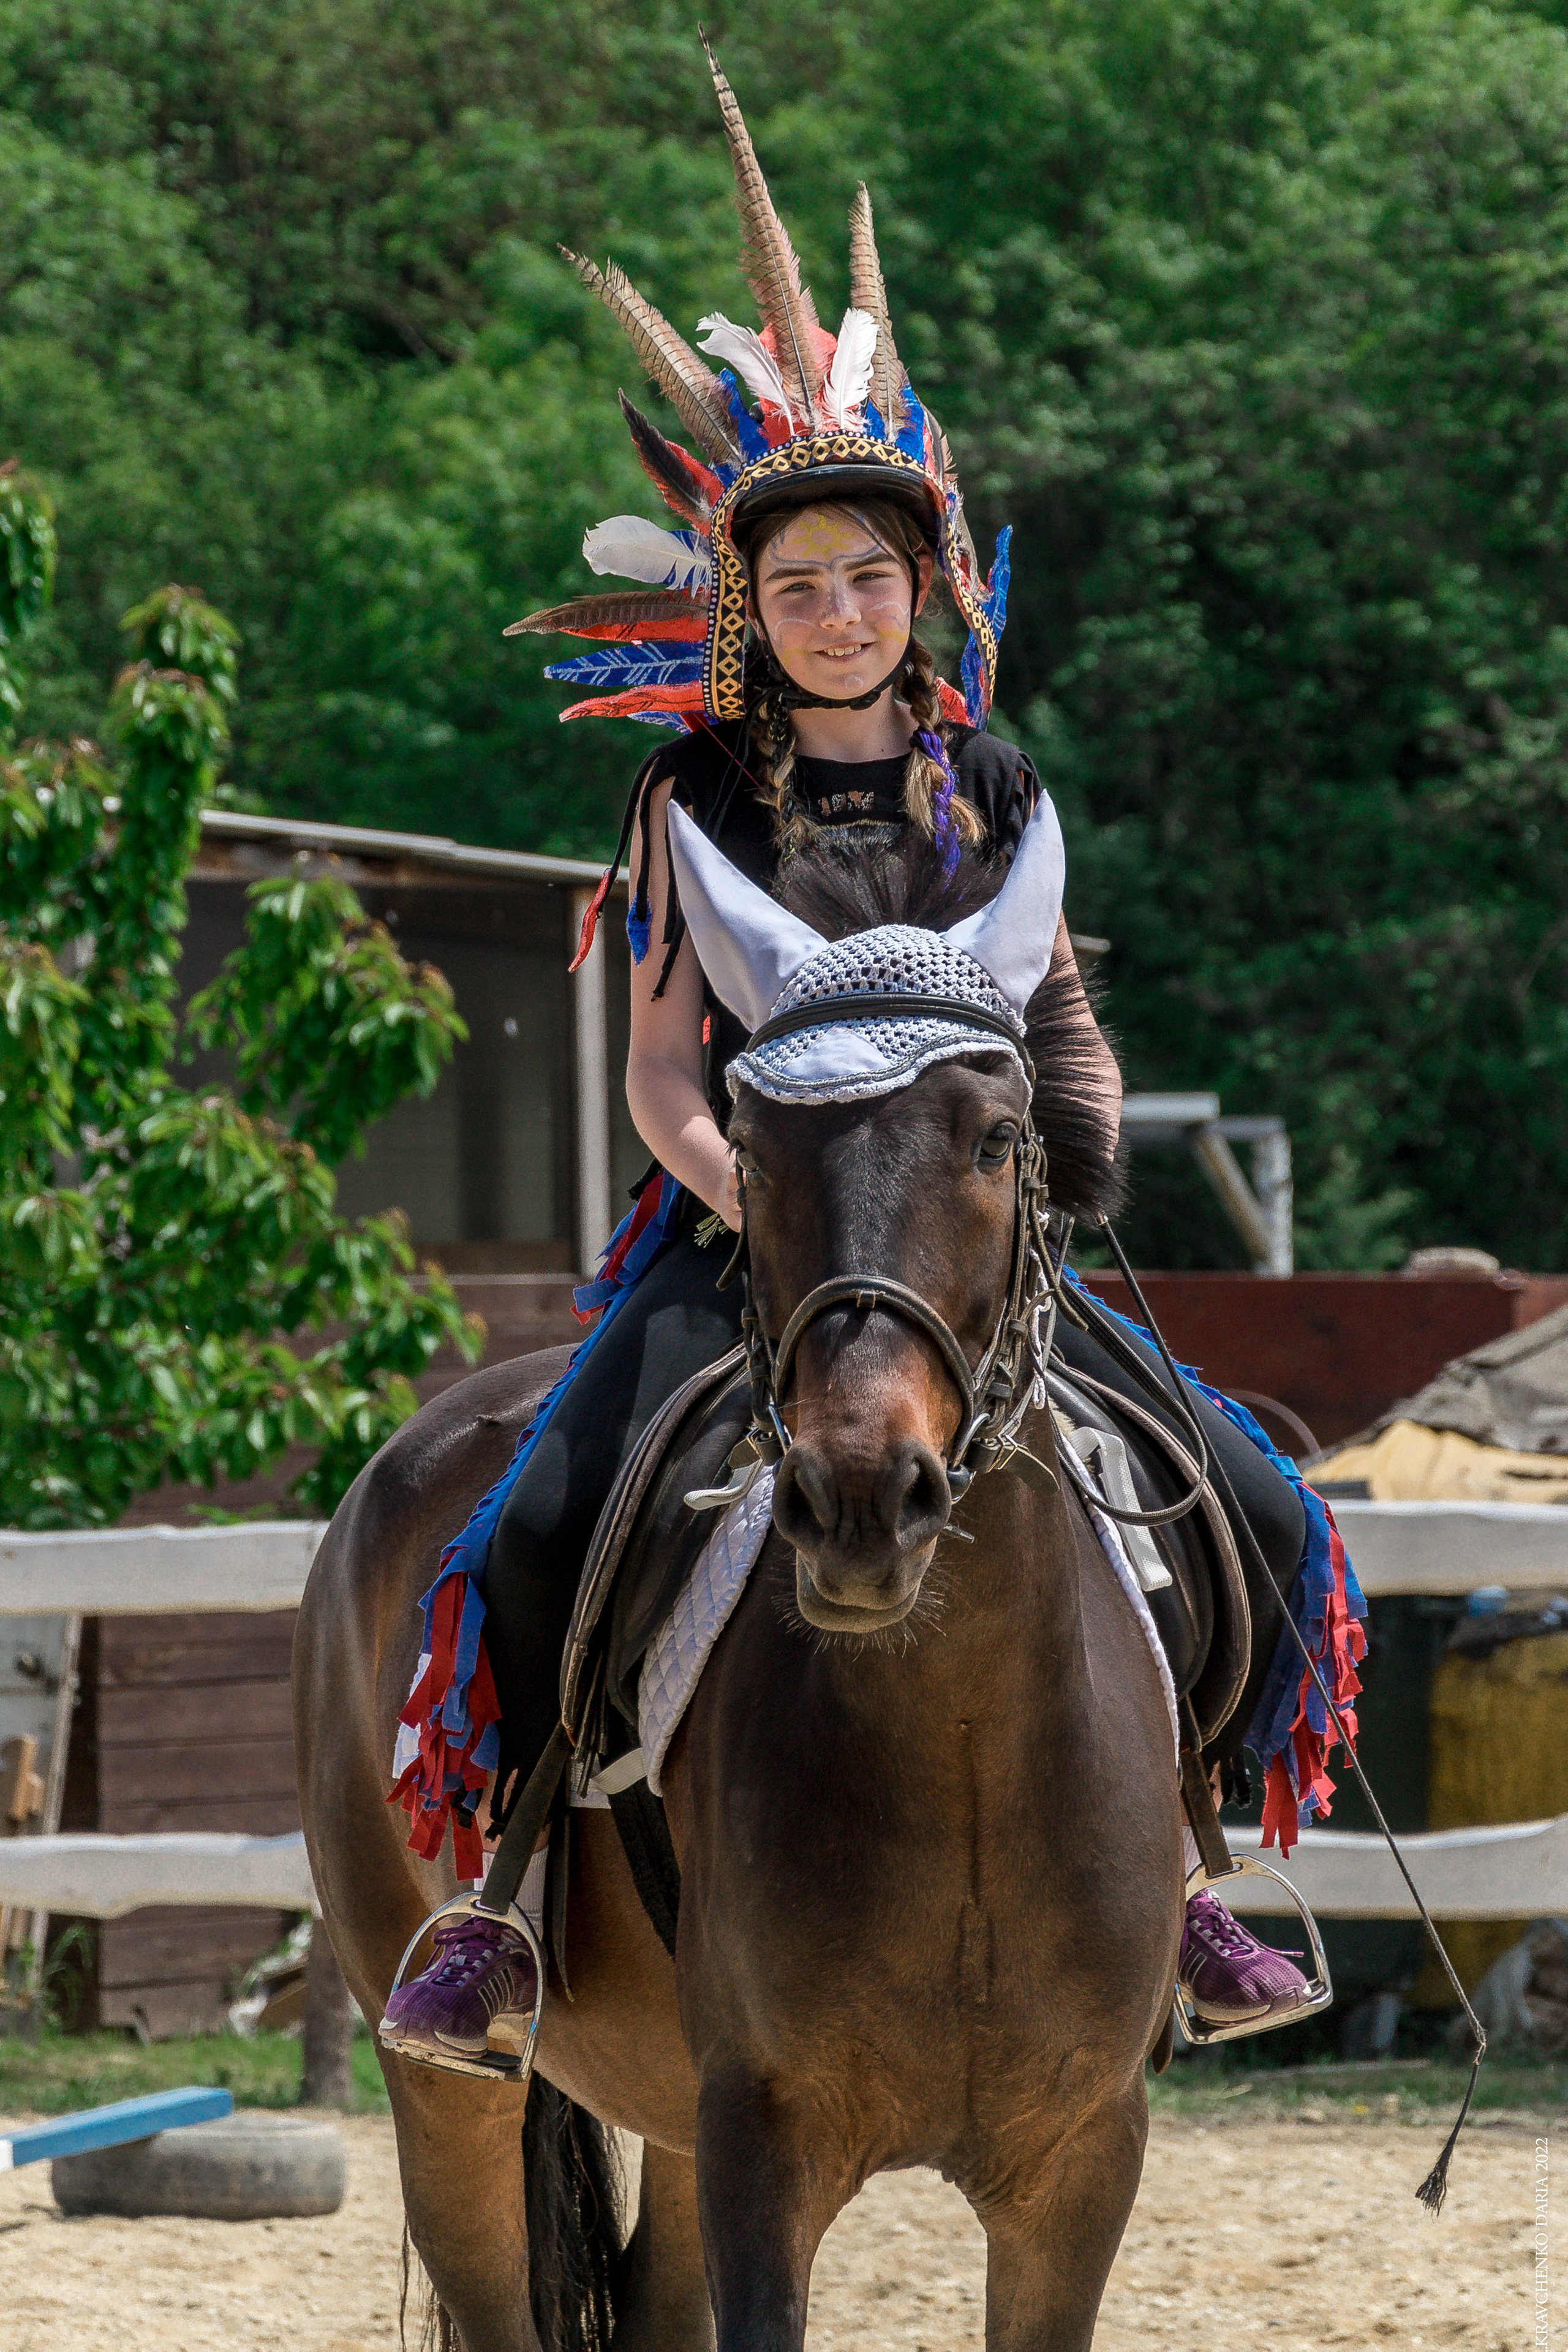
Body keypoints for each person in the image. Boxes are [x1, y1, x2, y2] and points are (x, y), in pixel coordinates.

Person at [380, 48, 1357, 2071]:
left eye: (870, 578)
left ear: (929, 595)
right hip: (753, 1227)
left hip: (978, 1230)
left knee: (1245, 1488)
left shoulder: (996, 785)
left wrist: (1059, 1164)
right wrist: (776, 1206)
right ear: (749, 605)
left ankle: (1187, 1878)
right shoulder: (689, 798)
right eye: (798, 583)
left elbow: (1056, 1004)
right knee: (544, 1506)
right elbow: (661, 1073)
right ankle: (502, 1907)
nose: (836, 612)